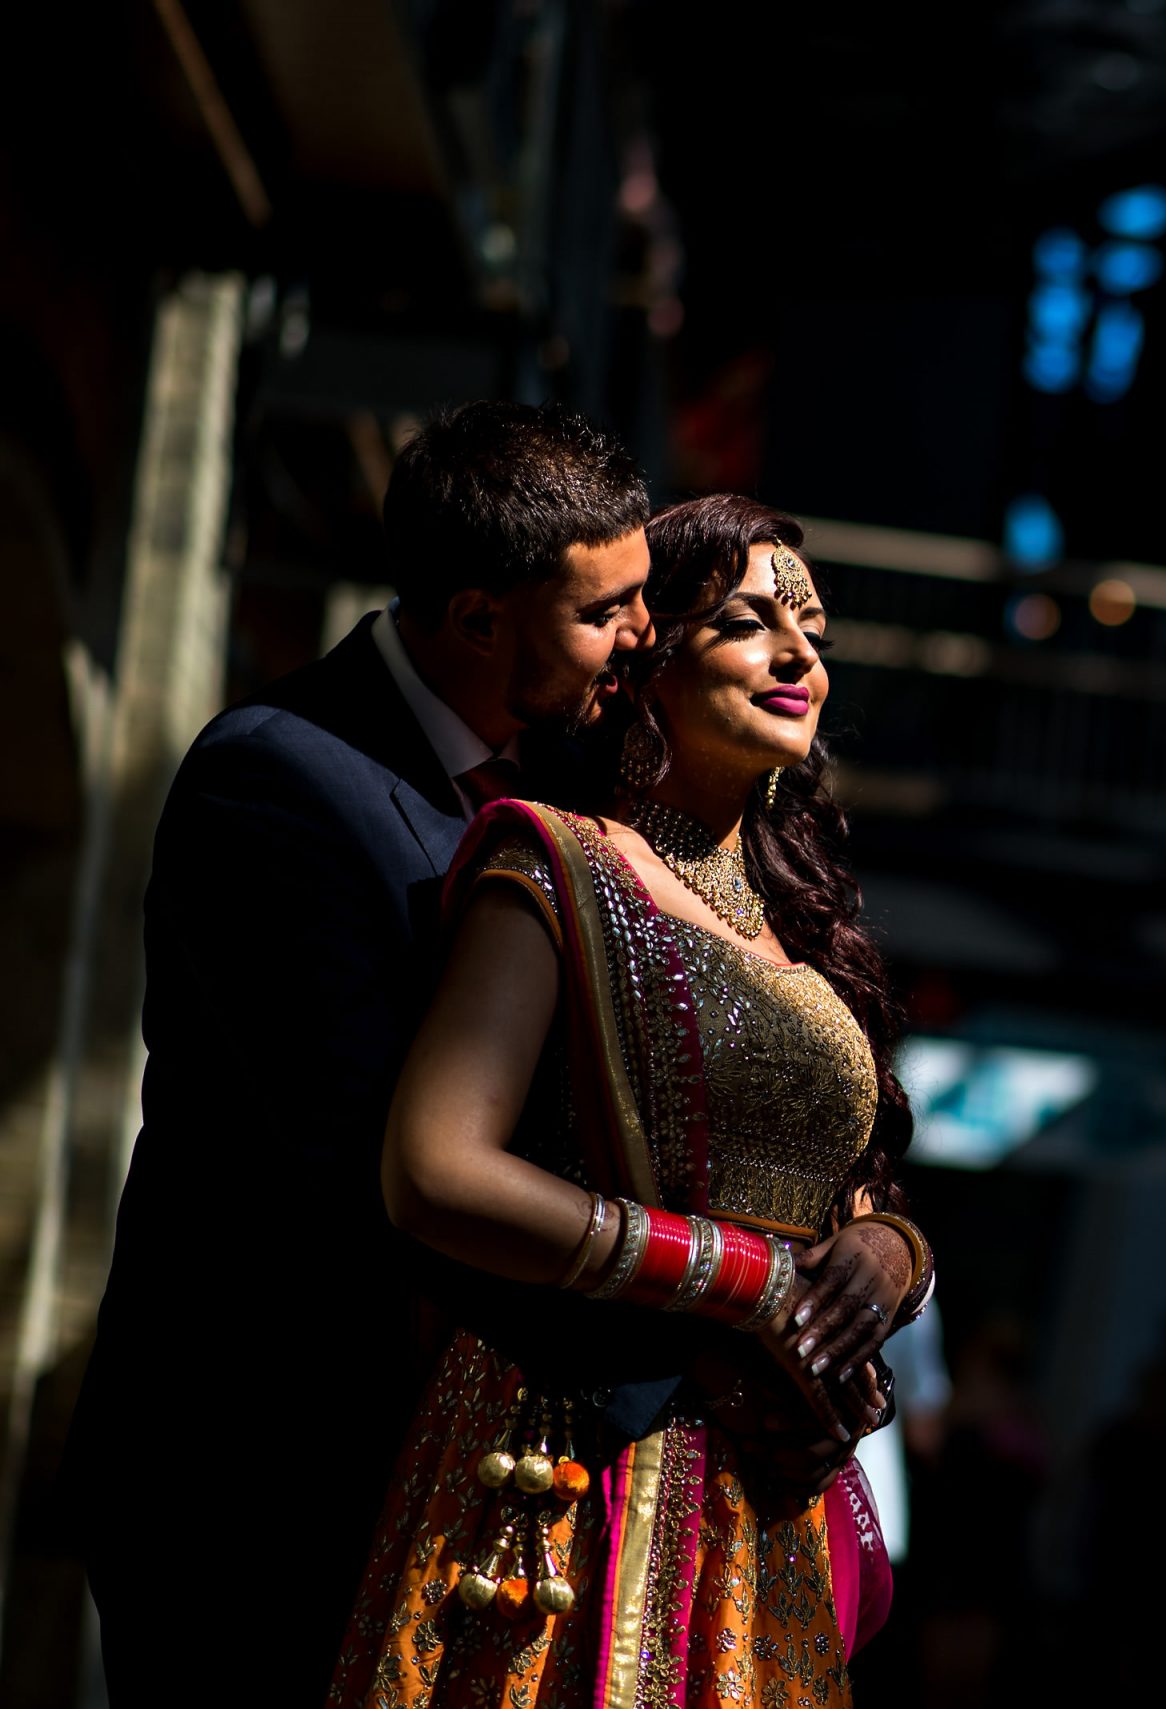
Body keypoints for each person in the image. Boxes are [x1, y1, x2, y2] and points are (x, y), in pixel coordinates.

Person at [70, 402, 657, 1707]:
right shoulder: (276, 781)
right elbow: (368, 1163)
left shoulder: (568, 783)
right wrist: (683, 1300)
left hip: (434, 1471)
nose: (644, 632)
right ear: (475, 618)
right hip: (252, 1473)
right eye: (605, 608)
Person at [329, 495, 929, 1708]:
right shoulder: (553, 863)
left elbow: (844, 1183)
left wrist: (885, 1250)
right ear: (651, 661)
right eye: (750, 623)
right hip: (568, 1460)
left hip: (760, 1500)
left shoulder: (803, 939)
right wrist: (751, 1279)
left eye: (810, 625)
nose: (800, 654)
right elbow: (434, 1166)